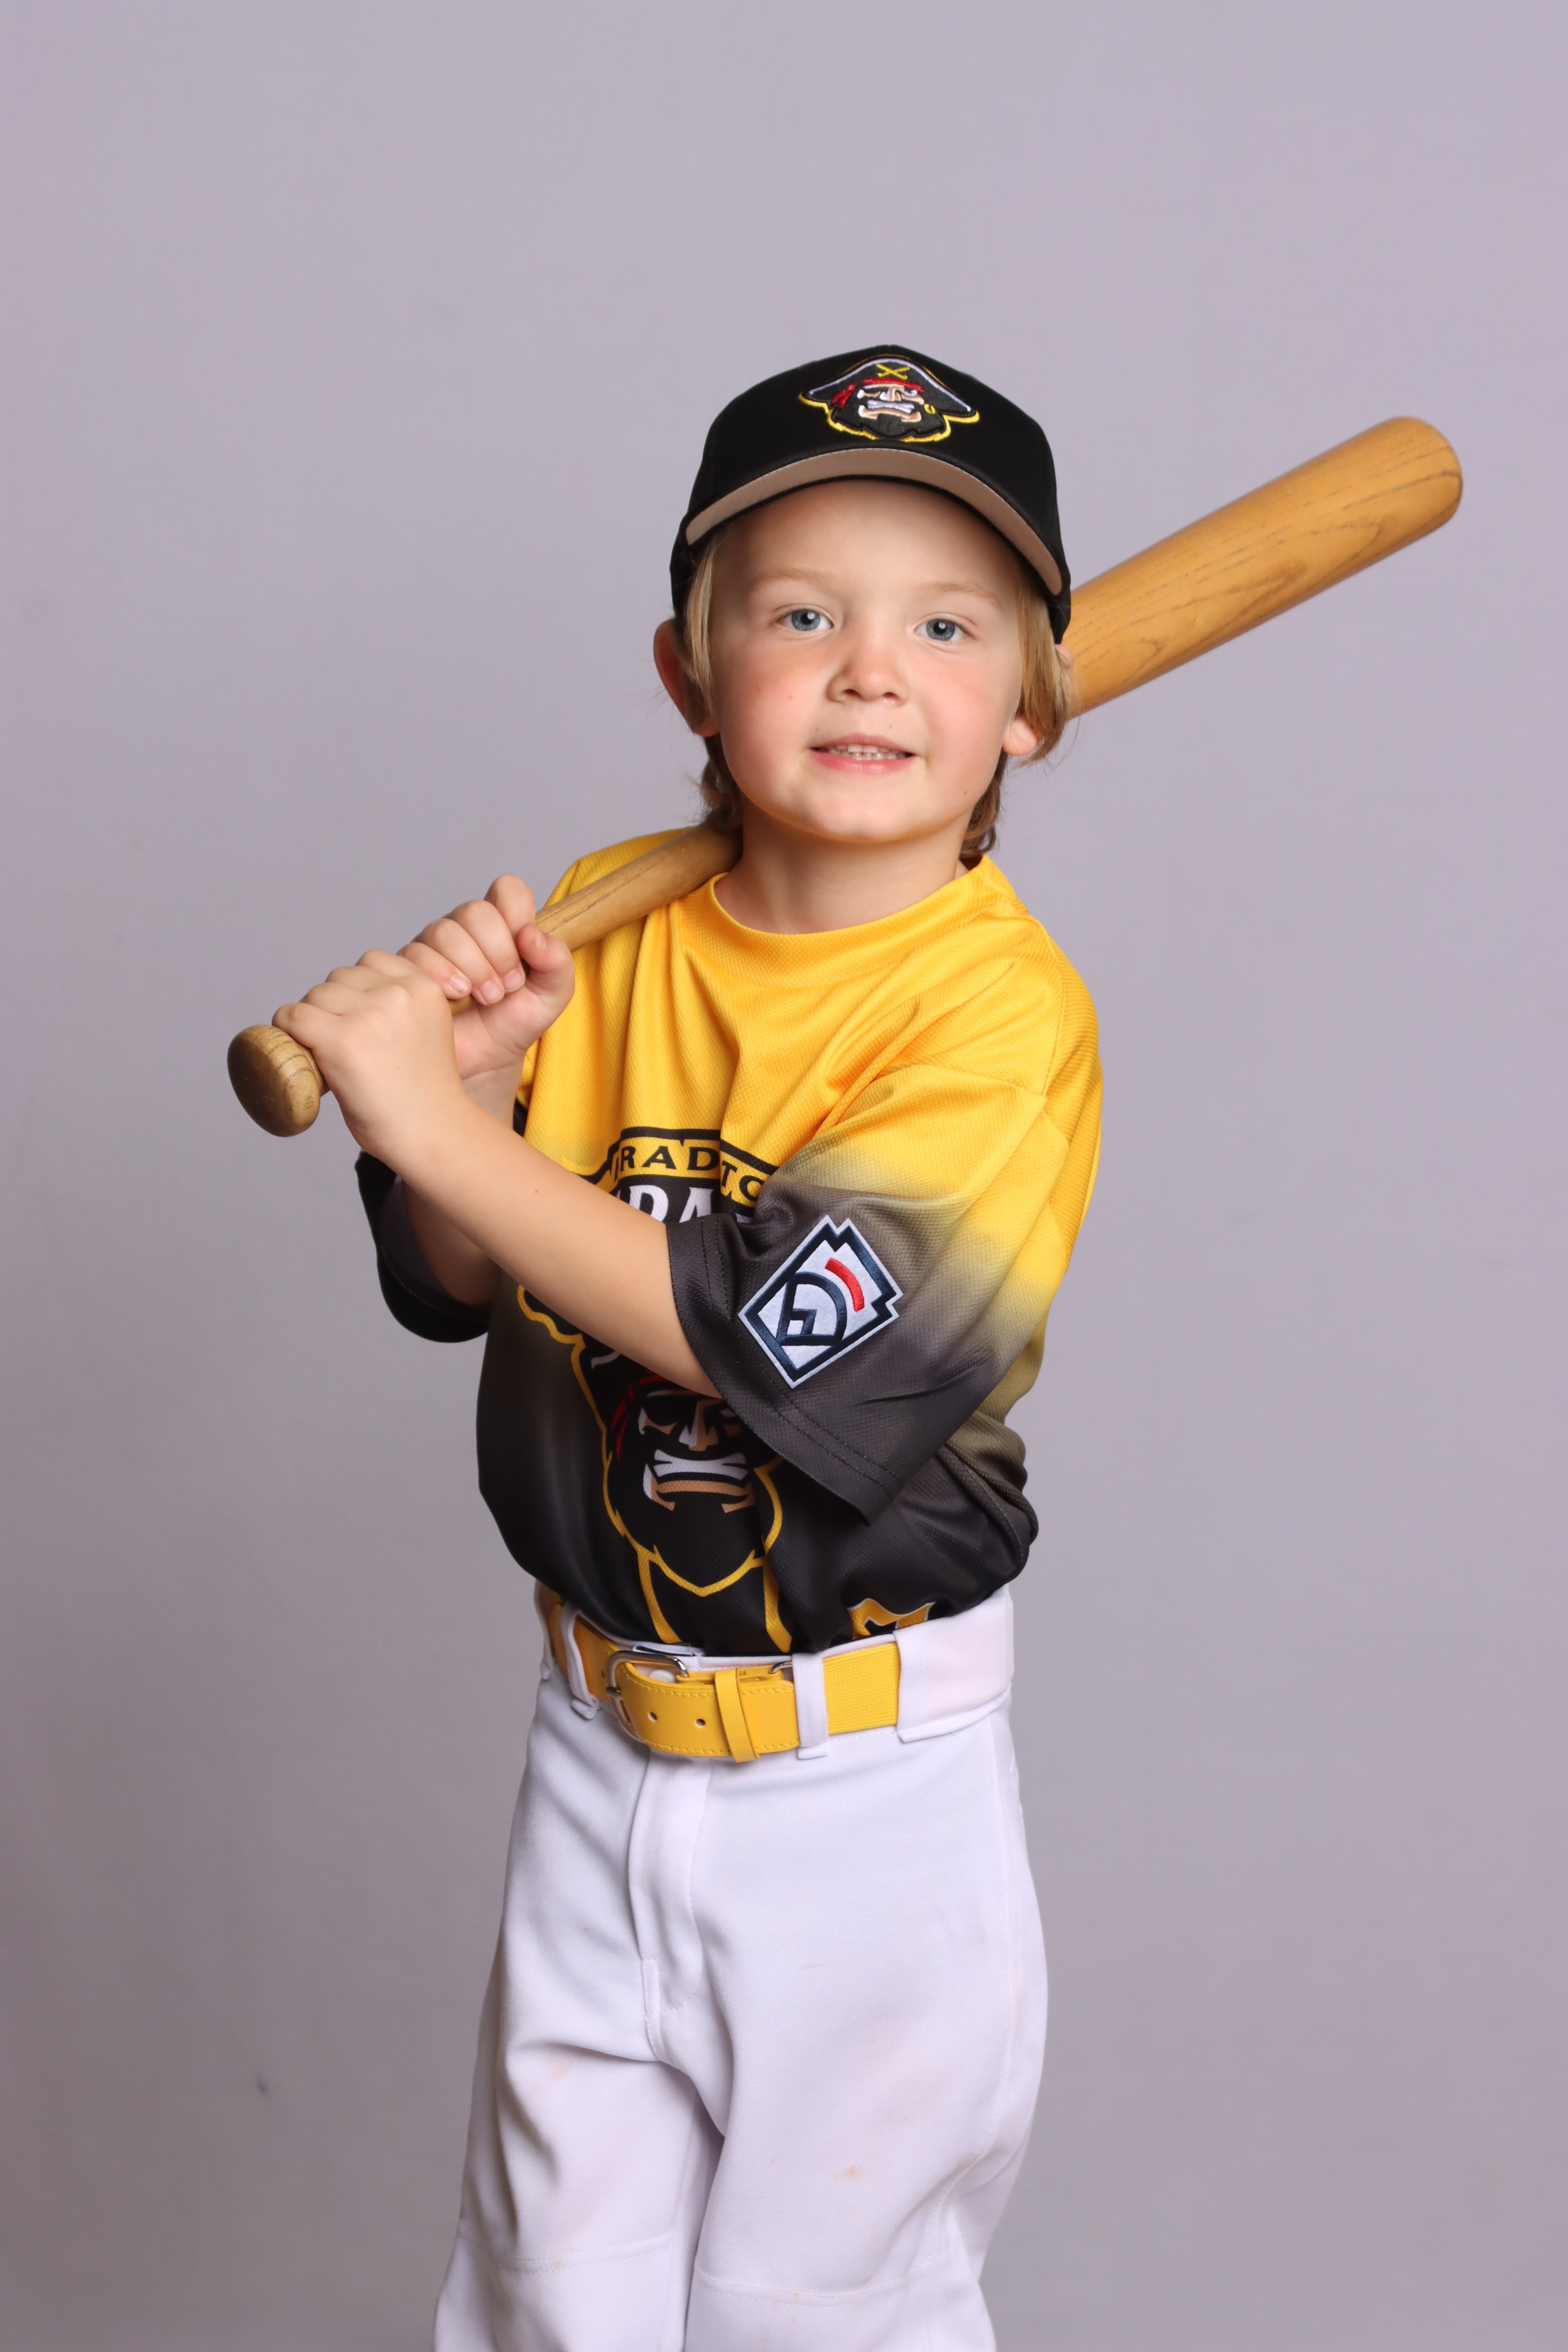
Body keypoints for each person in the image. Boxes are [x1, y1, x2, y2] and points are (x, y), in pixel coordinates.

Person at [277, 346, 1102, 2352]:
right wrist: (479, 1097)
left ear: (1031, 702)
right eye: (798, 615)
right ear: (687, 671)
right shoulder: (606, 930)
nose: (869, 670)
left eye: (946, 627)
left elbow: (769, 1353)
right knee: (542, 2307)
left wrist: (433, 1121)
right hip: (596, 1745)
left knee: (810, 2319)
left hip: (859, 1784)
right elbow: (463, 1280)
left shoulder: (997, 1018)